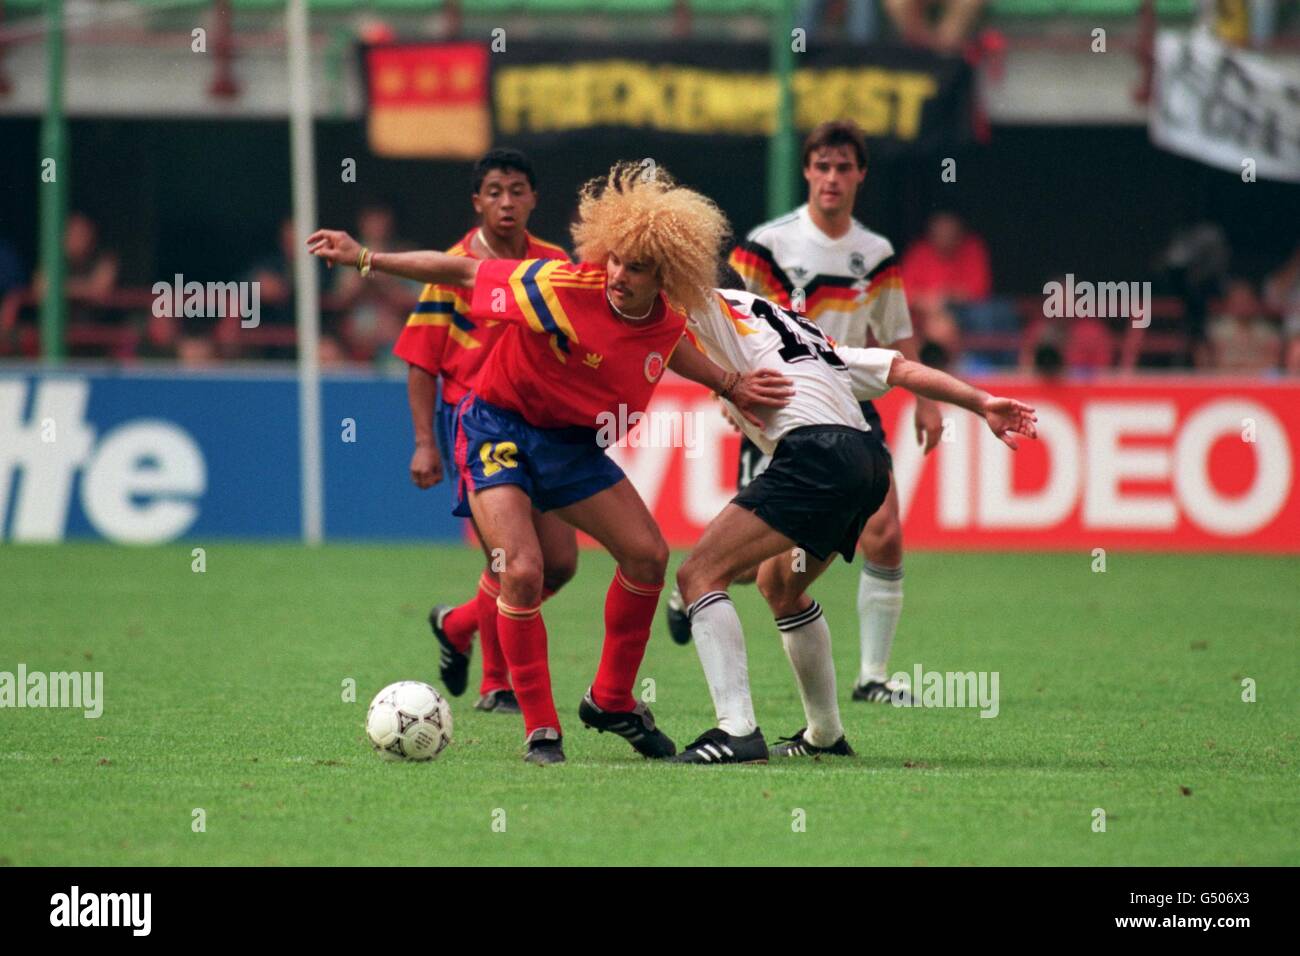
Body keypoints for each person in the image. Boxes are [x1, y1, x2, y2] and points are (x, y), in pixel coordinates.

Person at [308, 162, 792, 765]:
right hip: (497, 429)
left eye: (635, 267)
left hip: (571, 448)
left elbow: (672, 350)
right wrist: (365, 259)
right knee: (523, 569)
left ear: (664, 274)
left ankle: (612, 699)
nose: (617, 274)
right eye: (614, 258)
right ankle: (541, 729)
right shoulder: (560, 285)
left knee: (647, 556)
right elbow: (461, 270)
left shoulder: (664, 321)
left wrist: (729, 383)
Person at [670, 280, 1036, 763]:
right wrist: (982, 402)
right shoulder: (812, 339)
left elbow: (660, 321)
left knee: (697, 575)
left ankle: (736, 731)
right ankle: (825, 735)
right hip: (867, 464)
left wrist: (722, 381)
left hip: (814, 457)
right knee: (780, 585)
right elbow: (901, 369)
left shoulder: (718, 306)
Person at [677, 119, 942, 707]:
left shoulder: (876, 254)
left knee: (887, 536)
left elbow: (897, 335)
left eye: (843, 166)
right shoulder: (769, 244)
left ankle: (872, 676)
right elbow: (720, 322)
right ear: (806, 172)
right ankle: (692, 590)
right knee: (761, 561)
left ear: (860, 175)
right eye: (821, 165)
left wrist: (926, 402)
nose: (831, 177)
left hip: (851, 404)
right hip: (779, 408)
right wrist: (729, 391)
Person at [391, 149, 575, 715]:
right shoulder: (451, 268)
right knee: (508, 558)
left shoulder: (553, 262)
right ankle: (498, 683)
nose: (506, 202)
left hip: (538, 423)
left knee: (560, 564)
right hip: (475, 422)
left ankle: (458, 623)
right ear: (477, 201)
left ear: (533, 199)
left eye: (517, 190)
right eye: (494, 191)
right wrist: (425, 442)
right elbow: (421, 360)